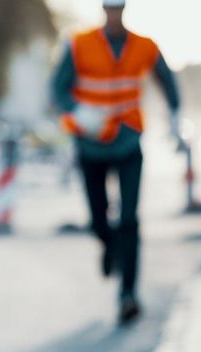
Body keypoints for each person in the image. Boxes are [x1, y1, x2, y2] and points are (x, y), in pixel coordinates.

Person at [53, 0, 184, 325]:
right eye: (109, 9)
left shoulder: (143, 45)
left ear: (124, 10)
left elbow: (167, 83)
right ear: (103, 10)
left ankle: (128, 294)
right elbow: (58, 88)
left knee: (129, 220)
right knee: (99, 219)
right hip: (91, 145)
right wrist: (78, 111)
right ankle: (110, 246)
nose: (114, 15)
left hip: (127, 143)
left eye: (118, 9)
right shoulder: (79, 43)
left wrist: (175, 117)